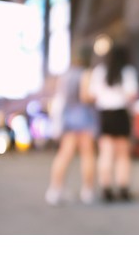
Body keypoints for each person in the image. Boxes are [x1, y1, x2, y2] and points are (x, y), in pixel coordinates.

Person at [45, 48, 97, 206]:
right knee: (87, 154)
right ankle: (87, 191)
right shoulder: (85, 73)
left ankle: (55, 190)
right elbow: (85, 96)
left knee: (64, 153)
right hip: (83, 117)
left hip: (67, 116)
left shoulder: (65, 75)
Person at [88, 44, 139, 202]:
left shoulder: (99, 71)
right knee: (123, 154)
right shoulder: (128, 71)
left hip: (105, 114)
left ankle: (106, 188)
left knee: (106, 152)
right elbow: (132, 95)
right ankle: (123, 188)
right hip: (121, 113)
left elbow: (92, 95)